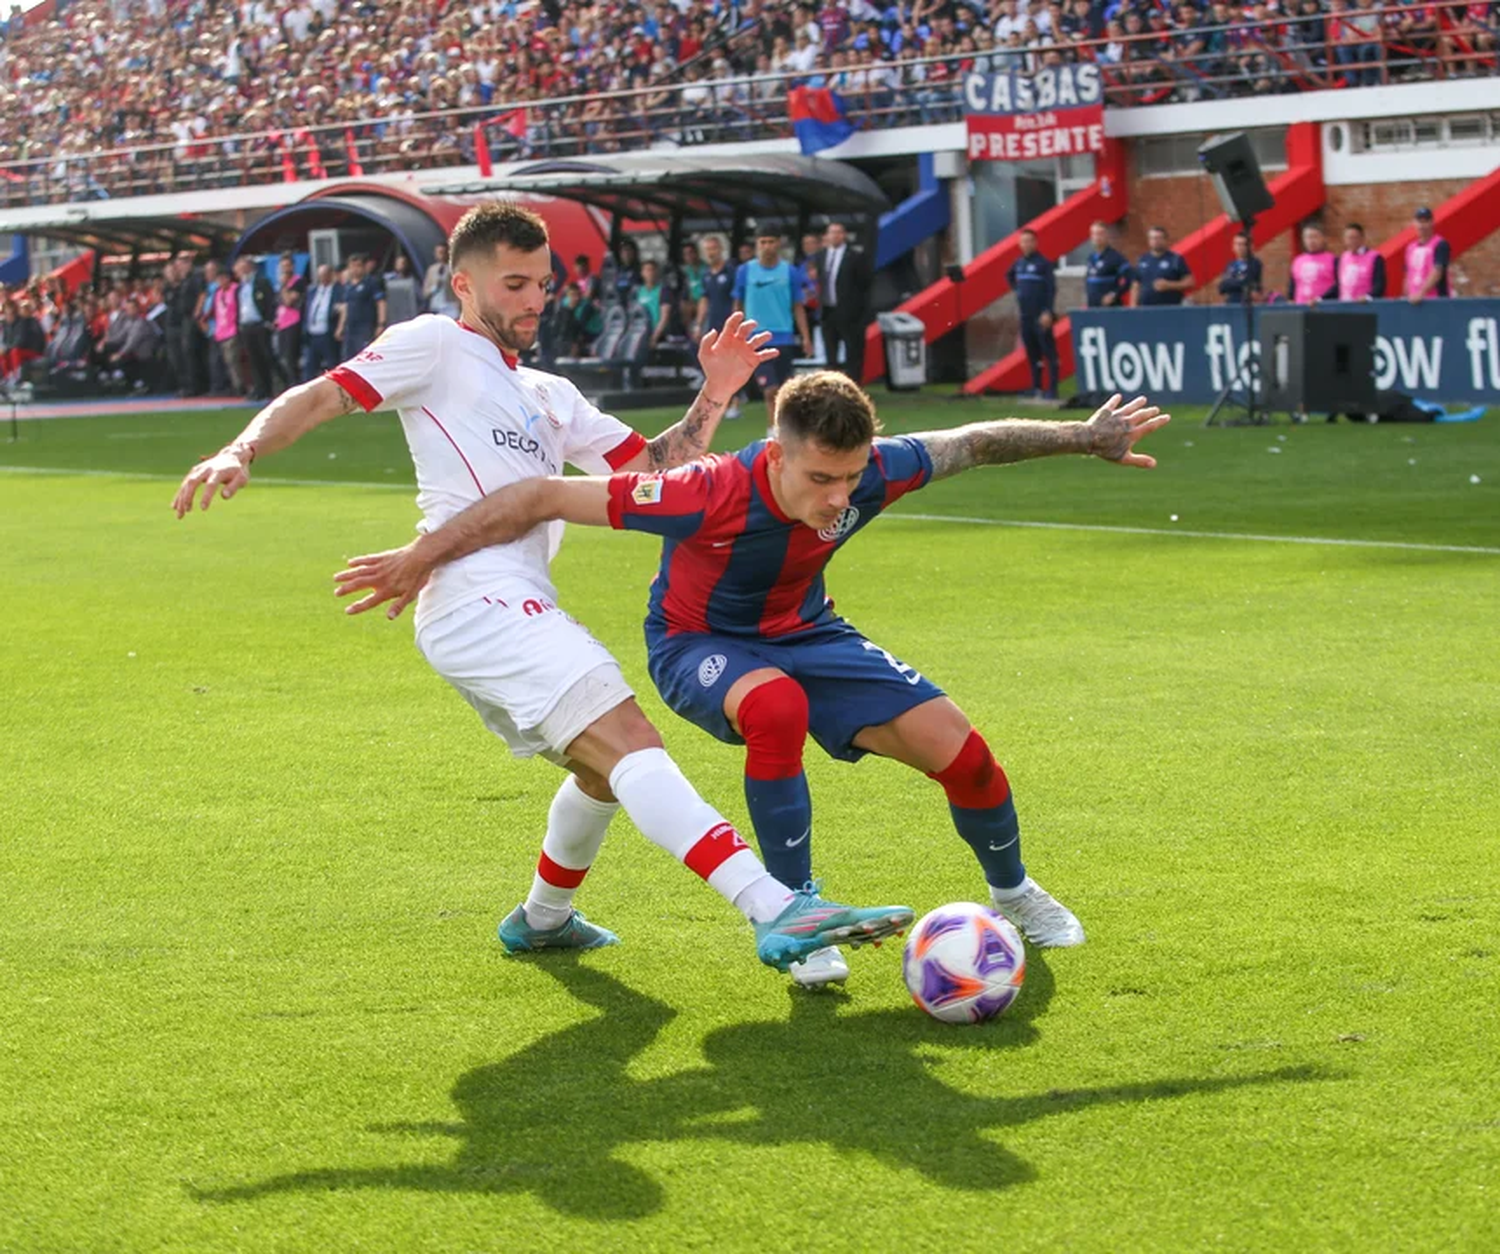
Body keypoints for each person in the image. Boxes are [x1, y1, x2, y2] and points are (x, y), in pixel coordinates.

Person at [172, 202, 912, 976]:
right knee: (630, 741)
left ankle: (543, 918)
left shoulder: (552, 394)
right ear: (463, 283)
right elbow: (321, 395)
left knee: (600, 768)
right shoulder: (433, 344)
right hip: (472, 592)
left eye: (543, 284)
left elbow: (652, 476)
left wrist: (717, 390)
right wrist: (243, 447)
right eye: (515, 283)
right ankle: (776, 909)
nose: (534, 300)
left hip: (505, 603)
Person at [334, 375, 1170, 988]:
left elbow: (977, 442)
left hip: (811, 631)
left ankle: (1014, 892)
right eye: (820, 479)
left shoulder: (876, 471)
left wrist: (1084, 436)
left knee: (967, 755)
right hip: (697, 645)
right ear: (775, 454)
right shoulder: (703, 492)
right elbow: (542, 494)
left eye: (851, 477)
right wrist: (423, 557)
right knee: (777, 706)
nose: (840, 496)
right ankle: (799, 912)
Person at [733, 222, 812, 434]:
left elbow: (798, 306)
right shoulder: (745, 271)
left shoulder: (790, 272)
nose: (767, 246)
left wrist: (806, 337)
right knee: (770, 389)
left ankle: (786, 430)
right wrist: (735, 333)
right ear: (757, 244)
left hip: (783, 337)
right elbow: (738, 304)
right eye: (763, 242)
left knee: (786, 390)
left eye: (771, 242)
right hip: (756, 338)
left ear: (779, 244)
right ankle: (773, 430)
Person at [812, 220, 872, 382]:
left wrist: (861, 313)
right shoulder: (821, 256)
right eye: (832, 232)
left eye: (839, 232)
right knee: (830, 354)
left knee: (853, 352)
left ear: (844, 235)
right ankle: (833, 387)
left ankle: (854, 386)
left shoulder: (856, 257)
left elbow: (865, 285)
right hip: (828, 311)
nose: (835, 235)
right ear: (827, 235)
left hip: (850, 314)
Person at [1006, 228, 1059, 398]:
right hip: (1025, 315)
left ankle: (1052, 389)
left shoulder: (1043, 264)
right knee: (1032, 352)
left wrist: (1048, 311)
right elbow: (1009, 276)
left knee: (1048, 351)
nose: (1026, 244)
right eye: (1023, 241)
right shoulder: (1019, 263)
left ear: (1035, 243)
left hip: (1040, 315)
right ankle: (1036, 386)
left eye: (1029, 241)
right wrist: (1019, 291)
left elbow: (1051, 289)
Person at [697, 234, 742, 419]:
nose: (711, 253)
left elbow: (737, 299)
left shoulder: (731, 271)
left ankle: (736, 403)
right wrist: (698, 323)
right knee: (716, 366)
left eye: (713, 248)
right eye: (707, 249)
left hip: (727, 324)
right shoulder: (706, 274)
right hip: (713, 325)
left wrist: (734, 323)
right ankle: (722, 403)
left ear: (721, 249)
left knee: (731, 364)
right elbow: (704, 299)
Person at [232, 256, 277, 401]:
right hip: (246, 325)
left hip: (260, 324)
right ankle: (259, 388)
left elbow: (270, 302)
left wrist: (269, 321)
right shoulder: (240, 287)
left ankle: (271, 387)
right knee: (253, 359)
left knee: (266, 356)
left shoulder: (261, 282)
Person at [338, 254, 387, 360]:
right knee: (348, 358)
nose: (355, 269)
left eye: (358, 266)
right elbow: (345, 307)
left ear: (364, 267)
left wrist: (381, 324)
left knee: (364, 357)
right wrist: (340, 327)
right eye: (352, 266)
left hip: (365, 327)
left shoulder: (371, 283)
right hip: (350, 328)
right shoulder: (348, 286)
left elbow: (381, 303)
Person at [1132, 226, 1193, 307]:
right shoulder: (1142, 259)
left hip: (1170, 309)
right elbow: (1136, 284)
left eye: (1159, 238)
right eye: (1152, 238)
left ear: (1165, 240)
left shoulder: (1175, 259)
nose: (1155, 241)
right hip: (1145, 309)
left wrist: (1169, 285)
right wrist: (1133, 306)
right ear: (1149, 241)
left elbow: (1190, 282)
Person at [303, 264, 343, 379]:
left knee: (332, 365)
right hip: (312, 334)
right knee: (309, 367)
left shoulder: (338, 290)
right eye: (320, 275)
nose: (322, 278)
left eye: (325, 275)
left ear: (331, 275)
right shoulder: (312, 290)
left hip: (327, 333)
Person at [1404, 206, 1450, 304]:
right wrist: (1406, 296)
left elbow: (1437, 271)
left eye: (1426, 221)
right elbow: (1408, 275)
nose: (1422, 225)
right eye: (1419, 221)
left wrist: (1421, 293)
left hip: (1436, 301)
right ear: (1414, 223)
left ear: (1432, 222)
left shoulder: (1440, 244)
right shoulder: (1410, 248)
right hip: (1414, 301)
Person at [274, 252, 306, 393]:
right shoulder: (280, 284)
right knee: (281, 356)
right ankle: (286, 384)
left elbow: (288, 301)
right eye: (283, 266)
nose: (285, 269)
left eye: (287, 266)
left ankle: (294, 385)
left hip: (293, 322)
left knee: (290, 357)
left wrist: (284, 285)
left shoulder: (298, 282)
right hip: (282, 323)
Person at [1083, 221, 1132, 308]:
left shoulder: (1115, 257)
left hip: (1109, 309)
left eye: (1100, 234)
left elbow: (1130, 279)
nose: (1097, 237)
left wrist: (1114, 294)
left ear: (1107, 236)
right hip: (1092, 308)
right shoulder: (1091, 258)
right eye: (1094, 234)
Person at [1287, 223, 1338, 305]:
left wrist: (1321, 299)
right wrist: (1291, 300)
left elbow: (1338, 286)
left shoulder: (1333, 259)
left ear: (1323, 238)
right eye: (1308, 237)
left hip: (1324, 307)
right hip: (1301, 307)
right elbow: (1292, 285)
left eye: (1315, 237)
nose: (1311, 241)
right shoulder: (1297, 261)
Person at [211, 263, 243, 396]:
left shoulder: (236, 290)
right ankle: (233, 385)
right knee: (226, 361)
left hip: (232, 330)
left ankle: (239, 386)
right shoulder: (218, 293)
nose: (221, 281)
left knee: (233, 359)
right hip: (221, 331)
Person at [1335, 223, 1386, 301]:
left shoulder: (1375, 257)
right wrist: (1320, 298)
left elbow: (1379, 285)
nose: (1352, 241)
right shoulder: (1343, 257)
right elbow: (1339, 284)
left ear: (1362, 238)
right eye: (1349, 238)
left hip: (1365, 306)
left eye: (1355, 238)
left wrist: (1368, 297)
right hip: (1345, 306)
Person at [1217, 232, 1263, 305]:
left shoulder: (1254, 263)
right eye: (1237, 244)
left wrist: (1232, 281)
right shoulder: (1230, 265)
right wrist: (1237, 282)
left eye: (1242, 244)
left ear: (1250, 246)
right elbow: (1222, 287)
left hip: (1247, 305)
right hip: (1231, 304)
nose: (1239, 247)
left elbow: (1247, 282)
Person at [636, 259, 671, 349]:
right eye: (647, 270)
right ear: (642, 273)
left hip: (656, 333)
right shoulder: (638, 291)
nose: (650, 273)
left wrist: (654, 337)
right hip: (640, 332)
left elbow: (665, 317)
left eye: (652, 270)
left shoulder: (663, 291)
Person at [422, 242, 460, 319]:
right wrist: (434, 288)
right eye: (439, 252)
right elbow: (425, 292)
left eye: (443, 252)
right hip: (436, 306)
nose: (441, 255)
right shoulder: (431, 270)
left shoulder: (454, 268)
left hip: (450, 305)